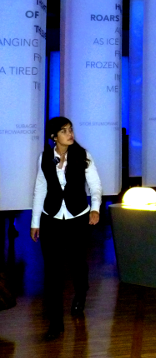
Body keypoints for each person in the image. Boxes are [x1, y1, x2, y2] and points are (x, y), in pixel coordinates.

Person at [31, 116, 102, 340]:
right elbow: (40, 188)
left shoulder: (83, 155)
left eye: (70, 129)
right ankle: (56, 324)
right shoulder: (44, 157)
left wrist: (95, 208)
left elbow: (95, 185)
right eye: (64, 131)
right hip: (51, 218)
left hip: (77, 218)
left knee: (77, 264)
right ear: (54, 136)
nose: (70, 134)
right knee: (52, 272)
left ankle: (81, 292)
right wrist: (35, 222)